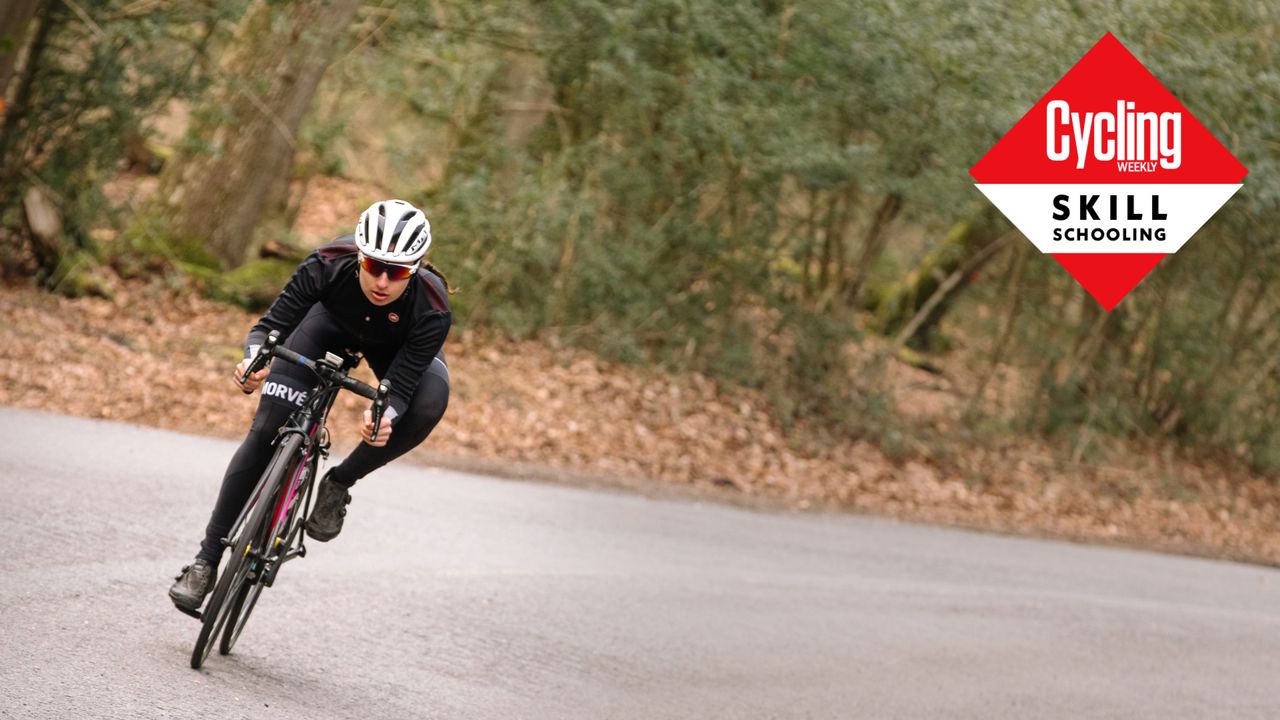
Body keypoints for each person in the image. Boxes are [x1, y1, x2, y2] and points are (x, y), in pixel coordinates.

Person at [169, 199, 452, 612]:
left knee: (429, 404)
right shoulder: (326, 263)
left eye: (398, 272)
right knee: (266, 432)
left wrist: (383, 416)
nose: (383, 281)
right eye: (373, 266)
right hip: (327, 328)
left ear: (419, 267)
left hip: (396, 350)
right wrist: (252, 362)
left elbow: (403, 389)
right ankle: (204, 563)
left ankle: (339, 483)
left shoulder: (431, 304)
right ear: (358, 254)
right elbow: (268, 330)